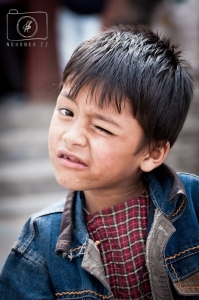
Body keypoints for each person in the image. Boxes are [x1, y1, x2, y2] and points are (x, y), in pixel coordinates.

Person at [0, 25, 198, 300]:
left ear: (152, 153)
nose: (72, 137)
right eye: (67, 111)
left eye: (102, 128)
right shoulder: (41, 238)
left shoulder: (193, 205)